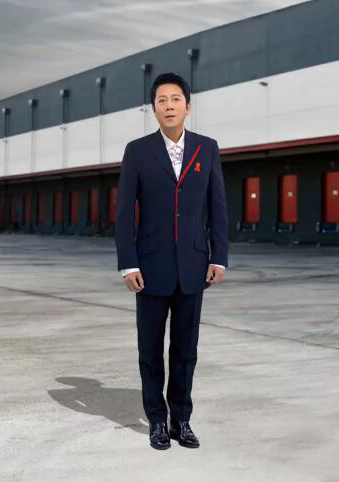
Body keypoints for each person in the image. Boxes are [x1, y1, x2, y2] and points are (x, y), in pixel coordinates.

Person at [114, 72, 229, 450]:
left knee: (185, 351)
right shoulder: (137, 151)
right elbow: (124, 213)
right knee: (150, 351)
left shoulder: (207, 148)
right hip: (149, 268)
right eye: (161, 100)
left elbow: (218, 206)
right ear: (153, 109)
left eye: (175, 99)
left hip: (194, 266)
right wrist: (129, 263)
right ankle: (156, 420)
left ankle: (181, 419)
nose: (169, 106)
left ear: (188, 106)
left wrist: (219, 256)